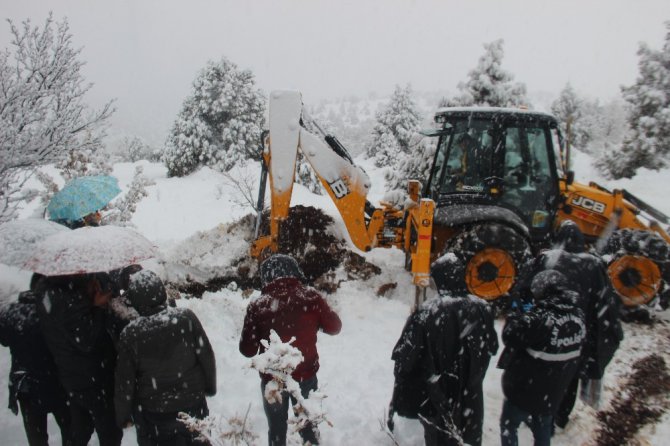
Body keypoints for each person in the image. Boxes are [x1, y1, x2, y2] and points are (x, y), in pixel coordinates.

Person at [389, 257, 498, 446]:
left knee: (441, 437)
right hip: (471, 393)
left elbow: (406, 357)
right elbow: (493, 347)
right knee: (469, 437)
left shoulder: (428, 312)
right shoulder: (482, 308)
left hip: (438, 393)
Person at [239, 254, 342, 446]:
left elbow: (247, 350)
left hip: (273, 382)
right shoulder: (311, 297)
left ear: (266, 277)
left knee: (277, 429)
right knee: (308, 426)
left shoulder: (258, 306)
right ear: (295, 272)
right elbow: (335, 327)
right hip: (306, 376)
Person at [533, 221, 623, 428]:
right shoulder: (593, 266)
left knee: (544, 370)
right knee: (569, 376)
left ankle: (540, 412)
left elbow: (529, 290)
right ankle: (560, 415)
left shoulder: (547, 260)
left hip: (548, 331)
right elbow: (604, 302)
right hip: (577, 334)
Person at [114, 270, 216, 445]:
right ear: (162, 292)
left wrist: (123, 416)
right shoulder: (186, 318)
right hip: (193, 404)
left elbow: (125, 381)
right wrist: (209, 387)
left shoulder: (131, 335)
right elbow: (206, 355)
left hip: (156, 414)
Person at [499, 270, 587, 446]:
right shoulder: (578, 317)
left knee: (509, 425)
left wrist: (515, 316)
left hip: (525, 389)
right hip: (554, 390)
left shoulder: (540, 318)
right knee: (543, 428)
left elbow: (510, 336)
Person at [36, 273, 122, 446]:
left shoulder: (46, 291)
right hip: (93, 379)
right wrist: (97, 306)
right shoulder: (67, 298)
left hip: (70, 375)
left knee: (79, 430)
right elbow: (86, 339)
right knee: (109, 432)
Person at [0, 273, 71, 446]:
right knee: (70, 432)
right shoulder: (55, 312)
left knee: (37, 438)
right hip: (57, 383)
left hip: (27, 386)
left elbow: (4, 340)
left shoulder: (12, 314)